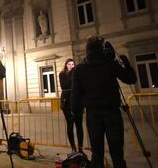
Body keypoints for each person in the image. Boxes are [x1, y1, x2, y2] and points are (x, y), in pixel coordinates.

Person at [72, 36, 137, 168]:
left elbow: (75, 96)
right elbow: (130, 79)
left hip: (93, 115)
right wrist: (126, 64)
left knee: (97, 153)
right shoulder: (110, 64)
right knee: (117, 153)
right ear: (101, 49)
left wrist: (76, 114)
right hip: (112, 112)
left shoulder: (79, 69)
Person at [59, 58, 84, 153]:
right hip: (66, 102)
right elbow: (64, 85)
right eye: (69, 64)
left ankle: (80, 147)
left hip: (77, 101)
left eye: (72, 64)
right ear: (66, 65)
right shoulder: (62, 74)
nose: (71, 66)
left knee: (79, 125)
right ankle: (73, 147)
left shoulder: (77, 73)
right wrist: (72, 74)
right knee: (70, 124)